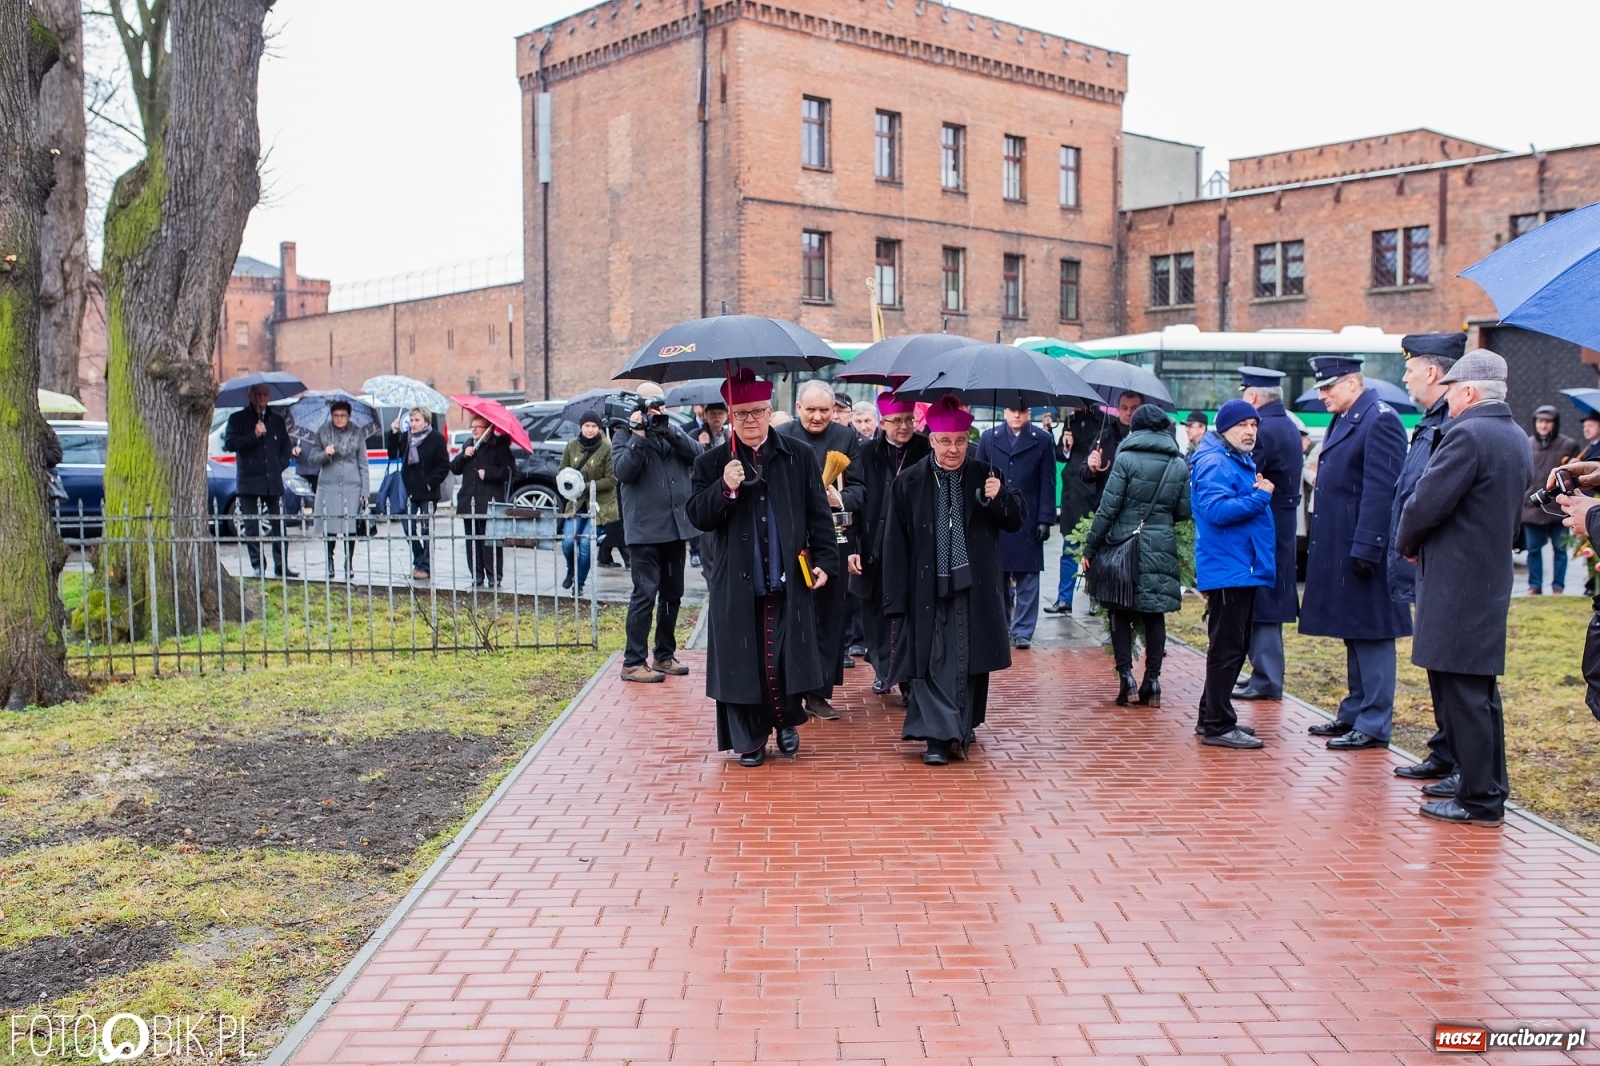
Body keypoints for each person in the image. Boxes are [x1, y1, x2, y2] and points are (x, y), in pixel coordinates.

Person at [1396, 350, 1530, 826]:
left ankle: (1479, 800)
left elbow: (1423, 503)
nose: (1447, 397)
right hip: (1486, 578)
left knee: (1462, 695)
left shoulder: (1468, 433)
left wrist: (1407, 543)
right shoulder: (1515, 435)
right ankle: (1489, 788)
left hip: (1457, 582)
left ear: (1469, 392)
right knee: (1479, 693)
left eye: (1451, 389)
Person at [686, 370, 838, 765]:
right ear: (730, 417)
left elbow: (817, 513)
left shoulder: (798, 454)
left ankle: (786, 723)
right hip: (737, 580)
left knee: (786, 654)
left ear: (771, 411)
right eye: (741, 414)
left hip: (786, 574)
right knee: (742, 660)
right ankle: (750, 739)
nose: (750, 421)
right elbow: (698, 517)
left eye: (758, 412)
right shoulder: (710, 463)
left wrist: (825, 559)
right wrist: (724, 488)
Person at [882, 395, 1024, 766]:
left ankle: (963, 724)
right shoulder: (910, 481)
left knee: (969, 660)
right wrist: (895, 598)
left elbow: (1014, 520)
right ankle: (936, 737)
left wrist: (1000, 497)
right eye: (945, 441)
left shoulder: (986, 475)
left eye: (960, 440)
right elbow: (895, 542)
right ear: (931, 439)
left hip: (974, 587)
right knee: (932, 659)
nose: (953, 449)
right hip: (927, 588)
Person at [1298, 355, 1410, 751]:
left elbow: (1382, 491)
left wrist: (1368, 547)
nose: (1322, 395)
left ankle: (1375, 721)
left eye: (1328, 387)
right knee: (1353, 631)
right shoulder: (1347, 416)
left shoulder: (1380, 419)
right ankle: (1354, 710)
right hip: (1342, 544)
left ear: (1352, 383)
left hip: (1366, 548)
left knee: (1373, 634)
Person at [1387, 332, 1465, 782]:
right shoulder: (1431, 420)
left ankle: (1458, 756)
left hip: (1441, 559)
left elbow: (1435, 496)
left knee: (1451, 665)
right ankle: (1444, 749)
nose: (1406, 378)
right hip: (1424, 557)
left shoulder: (1451, 423)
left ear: (1433, 372)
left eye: (1410, 369)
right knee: (1436, 660)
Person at [1082, 404, 1190, 707]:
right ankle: (1152, 682)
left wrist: (1090, 548)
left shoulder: (1126, 458)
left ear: (1136, 428)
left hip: (1122, 545)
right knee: (1154, 613)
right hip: (1161, 545)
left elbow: (1108, 509)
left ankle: (1126, 679)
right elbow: (1183, 511)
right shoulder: (1177, 464)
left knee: (1119, 610)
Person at [777, 380, 866, 719]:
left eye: (824, 410)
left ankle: (819, 693)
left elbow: (861, 490)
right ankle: (791, 691)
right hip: (793, 543)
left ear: (835, 411)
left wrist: (839, 497)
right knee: (794, 616)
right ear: (799, 408)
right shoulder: (782, 435)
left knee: (829, 619)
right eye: (811, 410)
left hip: (833, 542)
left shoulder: (845, 438)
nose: (817, 417)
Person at [1190, 400, 1275, 749]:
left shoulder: (1232, 458)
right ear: (1224, 428)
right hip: (1230, 568)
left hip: (1239, 565)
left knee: (1231, 646)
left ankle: (1210, 714)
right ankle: (1219, 725)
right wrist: (1260, 497)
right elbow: (1215, 510)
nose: (1250, 431)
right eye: (1242, 425)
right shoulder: (1214, 461)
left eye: (1254, 425)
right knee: (1227, 648)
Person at [613, 394, 701, 683]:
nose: (655, 410)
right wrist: (638, 434)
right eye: (649, 405)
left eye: (659, 405)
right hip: (645, 531)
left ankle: (664, 654)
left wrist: (670, 430)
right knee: (645, 595)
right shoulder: (622, 434)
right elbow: (624, 472)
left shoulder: (670, 431)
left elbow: (698, 455)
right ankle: (633, 661)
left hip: (675, 528)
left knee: (672, 595)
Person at [853, 391, 932, 693]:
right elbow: (854, 503)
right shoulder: (864, 452)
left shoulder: (926, 449)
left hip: (912, 546)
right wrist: (853, 548)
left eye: (909, 420)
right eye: (896, 421)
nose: (903, 426)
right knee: (875, 615)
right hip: (872, 545)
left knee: (910, 612)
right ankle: (883, 667)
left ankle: (908, 677)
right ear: (882, 423)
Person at [1233, 367, 1304, 703]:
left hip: (1266, 523)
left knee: (1263, 602)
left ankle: (1266, 677)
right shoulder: (1286, 423)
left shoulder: (1264, 429)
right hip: (1281, 522)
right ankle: (1263, 675)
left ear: (1252, 397)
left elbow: (1244, 472)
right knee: (1268, 599)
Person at [976, 406, 1057, 650]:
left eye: (1022, 411)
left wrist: (1045, 519)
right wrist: (980, 506)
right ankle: (1001, 625)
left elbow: (1048, 482)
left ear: (1029, 413)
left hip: (1027, 516)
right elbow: (976, 474)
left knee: (1028, 575)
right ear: (1004, 412)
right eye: (1012, 411)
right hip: (996, 515)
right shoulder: (989, 438)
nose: (1017, 416)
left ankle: (1023, 630)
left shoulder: (1042, 440)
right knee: (997, 575)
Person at [224, 384, 298, 578]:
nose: (262, 398)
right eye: (258, 394)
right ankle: (258, 565)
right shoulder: (237, 419)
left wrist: (278, 465)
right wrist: (253, 436)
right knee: (252, 527)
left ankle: (281, 565)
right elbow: (230, 444)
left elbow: (285, 446)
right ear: (250, 395)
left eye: (265, 394)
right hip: (249, 480)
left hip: (272, 481)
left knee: (278, 525)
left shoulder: (276, 420)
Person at [303, 401, 369, 581]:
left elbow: (363, 462)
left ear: (349, 416)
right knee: (330, 527)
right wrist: (326, 453)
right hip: (329, 487)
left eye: (343, 415)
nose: (339, 419)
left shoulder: (357, 433)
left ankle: (349, 562)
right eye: (336, 415)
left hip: (351, 486)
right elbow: (312, 459)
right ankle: (330, 562)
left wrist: (365, 489)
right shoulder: (323, 433)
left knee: (350, 527)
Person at [558, 411, 618, 595]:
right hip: (576, 503)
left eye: (594, 426)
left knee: (585, 545)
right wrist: (570, 481)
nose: (590, 430)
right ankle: (571, 570)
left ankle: (580, 583)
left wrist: (585, 486)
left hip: (599, 505)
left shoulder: (607, 447)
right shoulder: (571, 446)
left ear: (599, 428)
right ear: (581, 427)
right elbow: (561, 472)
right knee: (568, 541)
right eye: (587, 426)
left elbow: (611, 480)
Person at [385, 409, 449, 582]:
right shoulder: (407, 437)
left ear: (426, 421)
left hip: (428, 492)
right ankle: (419, 559)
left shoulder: (436, 438)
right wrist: (394, 433)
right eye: (411, 420)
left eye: (417, 420)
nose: (413, 423)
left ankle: (425, 567)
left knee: (426, 529)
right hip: (409, 491)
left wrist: (431, 482)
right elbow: (392, 454)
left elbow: (444, 465)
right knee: (408, 527)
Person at [452, 415, 514, 587]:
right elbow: (454, 468)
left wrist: (489, 472)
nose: (473, 429)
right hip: (469, 500)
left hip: (489, 500)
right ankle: (476, 574)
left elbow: (509, 471)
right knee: (472, 540)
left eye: (478, 426)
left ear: (488, 428)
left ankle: (494, 575)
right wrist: (464, 456)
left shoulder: (498, 446)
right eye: (472, 426)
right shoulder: (468, 445)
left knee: (490, 541)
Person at [1523, 403, 1579, 595]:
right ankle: (1535, 586)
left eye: (1548, 422)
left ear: (1555, 424)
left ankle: (1558, 588)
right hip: (1532, 506)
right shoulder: (1527, 444)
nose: (1544, 425)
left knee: (1560, 551)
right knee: (1533, 550)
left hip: (1559, 508)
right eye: (1540, 421)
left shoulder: (1568, 446)